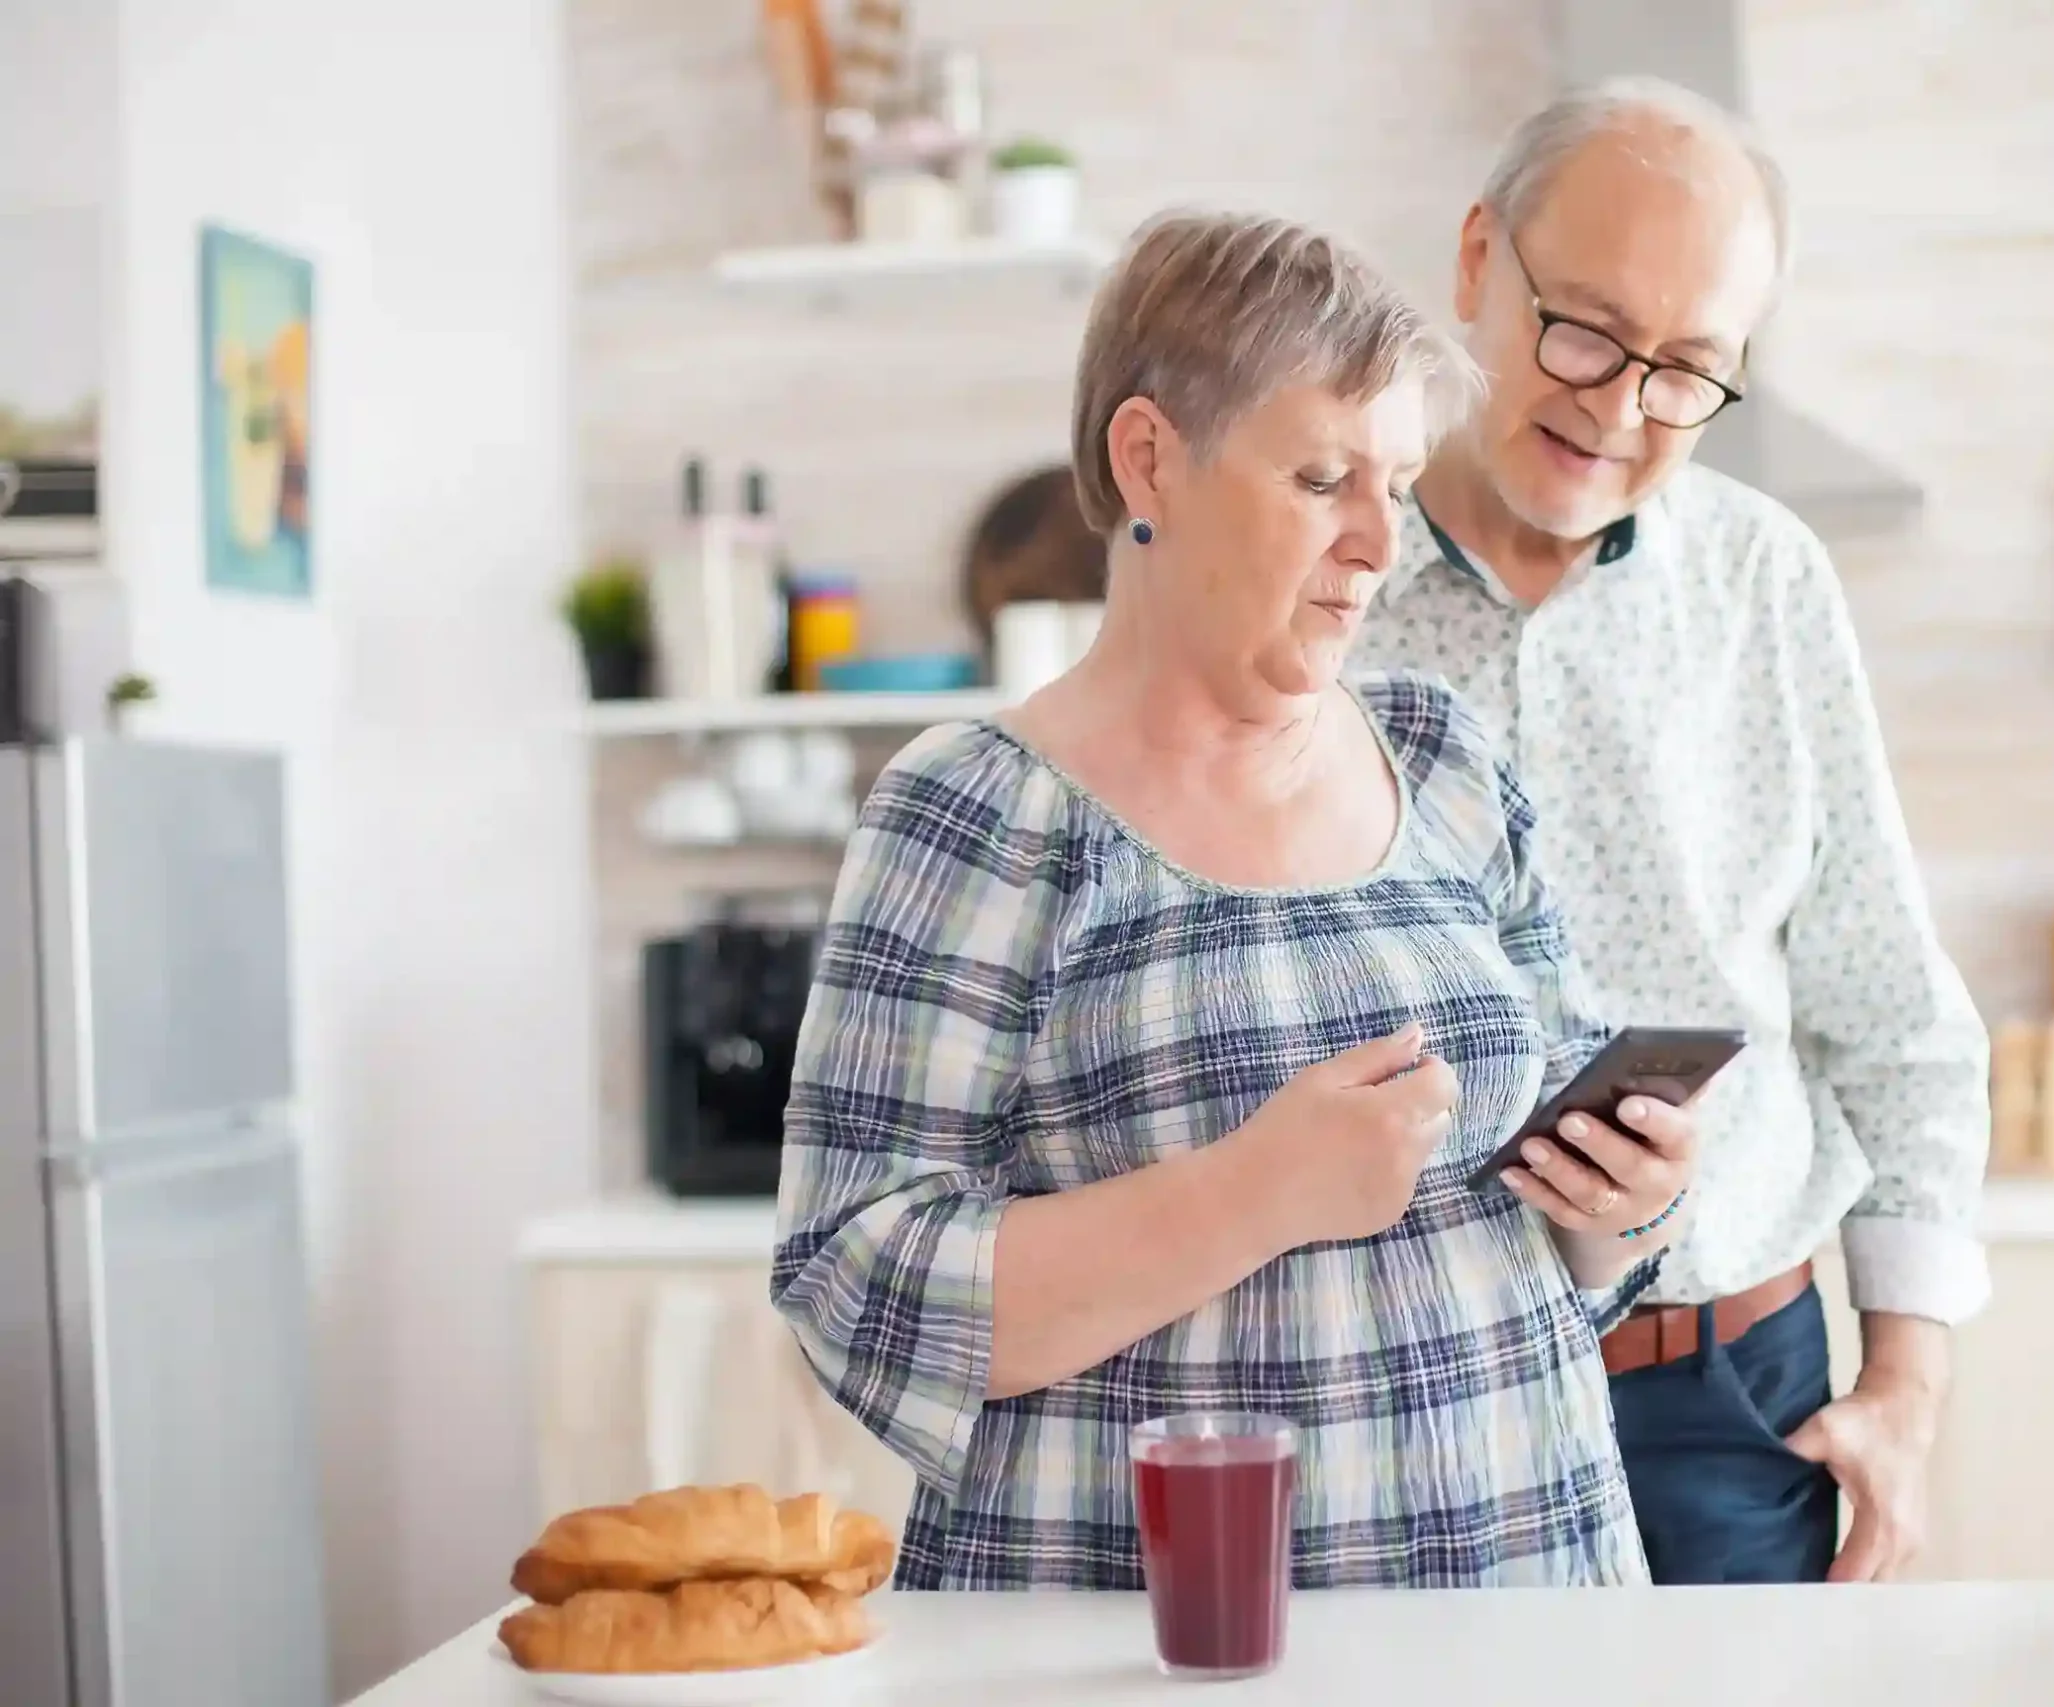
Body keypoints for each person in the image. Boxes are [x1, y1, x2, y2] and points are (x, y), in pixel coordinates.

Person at [770, 209, 1708, 1592]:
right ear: (1149, 456)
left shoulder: (1441, 757)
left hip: (1531, 1603)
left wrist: (1627, 1199)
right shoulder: (979, 809)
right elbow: (856, 1288)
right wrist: (1253, 1193)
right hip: (1149, 1643)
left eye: (1397, 481)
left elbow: (1571, 1220)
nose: (1380, 542)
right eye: (1323, 477)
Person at [1348, 78, 1992, 1587]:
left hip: (1728, 1401)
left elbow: (1892, 1011)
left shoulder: (1766, 582)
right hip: (1401, 1392)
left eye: (1691, 368)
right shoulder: (1329, 584)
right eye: (1583, 329)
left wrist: (1907, 1388)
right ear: (1476, 260)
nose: (1621, 407)